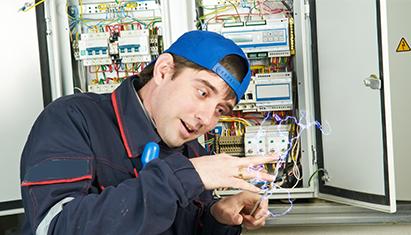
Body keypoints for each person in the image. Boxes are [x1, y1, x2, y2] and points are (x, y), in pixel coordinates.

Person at [20, 30, 277, 235]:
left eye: (220, 109)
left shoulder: (193, 152)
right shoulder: (73, 119)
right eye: (202, 92)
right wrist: (183, 177)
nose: (206, 119)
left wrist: (217, 218)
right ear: (164, 70)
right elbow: (55, 228)